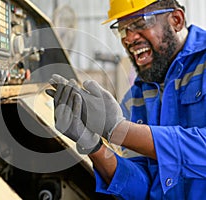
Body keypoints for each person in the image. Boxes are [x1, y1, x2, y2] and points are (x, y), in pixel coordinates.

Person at [46, 0, 206, 199]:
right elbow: (143, 188)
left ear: (176, 20)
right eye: (123, 30)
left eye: (140, 24)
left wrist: (120, 130)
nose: (129, 38)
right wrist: (93, 146)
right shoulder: (135, 97)